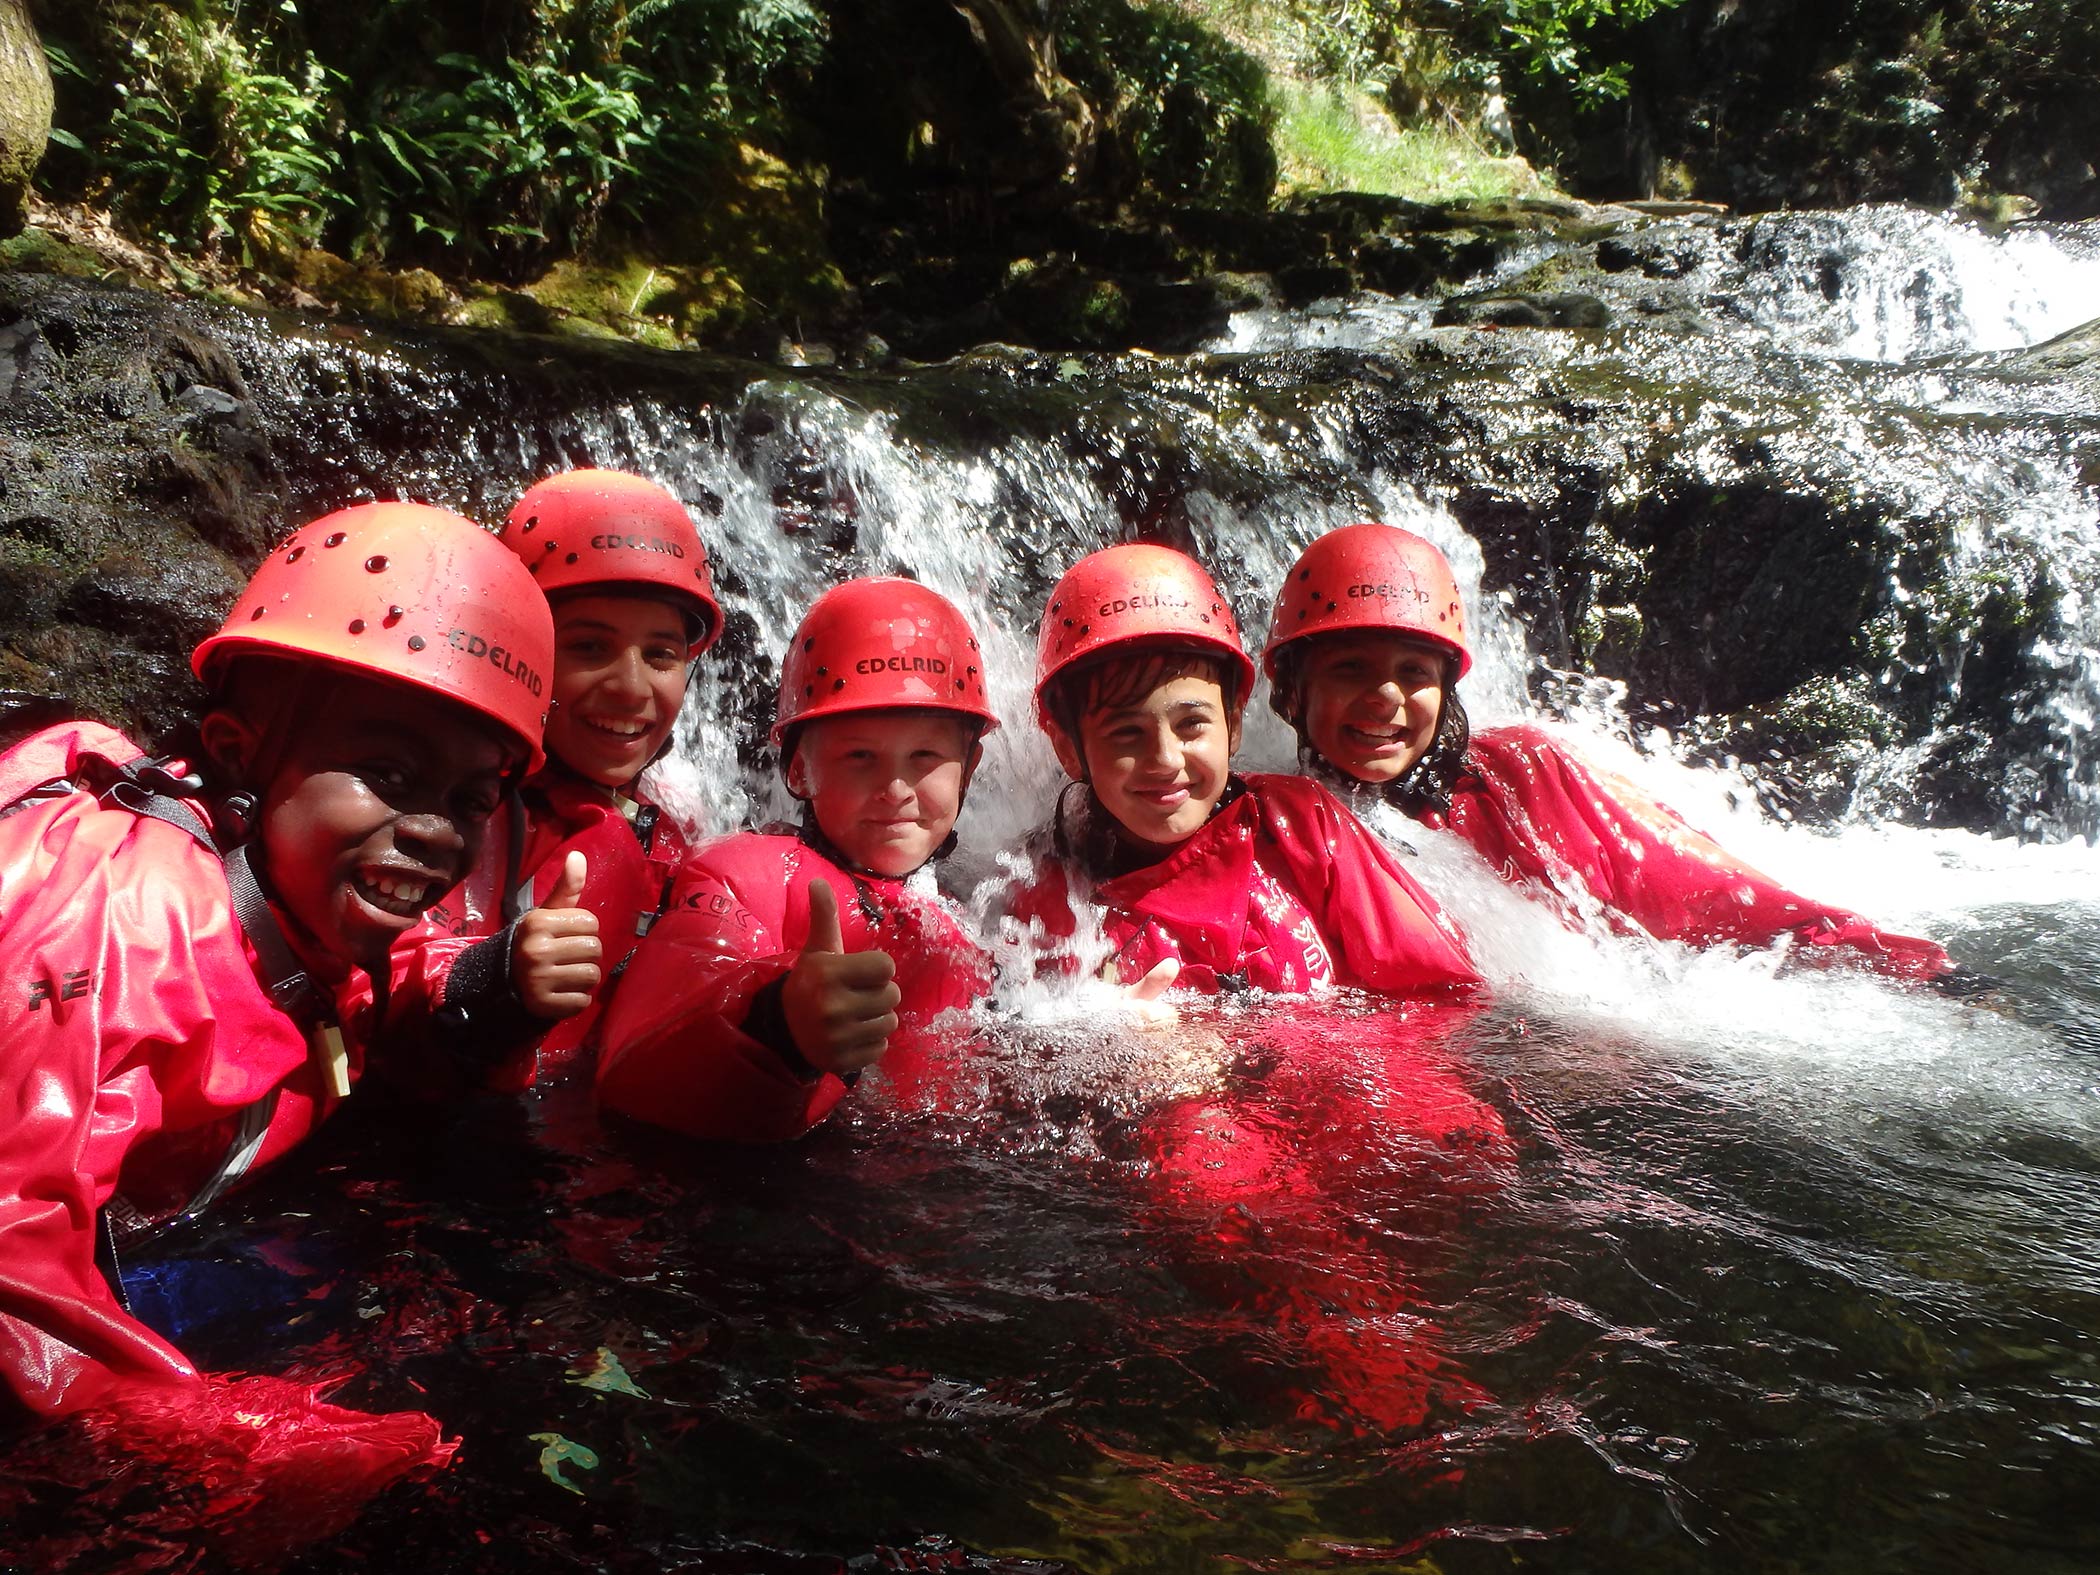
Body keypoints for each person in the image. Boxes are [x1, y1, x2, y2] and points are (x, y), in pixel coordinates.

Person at [0, 501, 554, 1547]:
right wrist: (250, 1438)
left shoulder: (301, 890)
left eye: (470, 798)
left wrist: (491, 991)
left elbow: (381, 991)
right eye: (388, 777)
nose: (435, 831)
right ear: (238, 754)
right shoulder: (122, 924)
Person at [1263, 521, 1953, 978]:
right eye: (1350, 668)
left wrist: (1886, 957)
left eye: (1414, 672)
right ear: (1293, 691)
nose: (1385, 698)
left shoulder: (1526, 775)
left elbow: (1709, 889)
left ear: (1447, 688)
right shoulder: (1266, 825)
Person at [596, 578, 996, 1141]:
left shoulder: (964, 913)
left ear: (969, 766)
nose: (897, 788)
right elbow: (633, 1068)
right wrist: (777, 1023)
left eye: (925, 755)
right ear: (798, 769)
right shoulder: (743, 873)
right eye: (860, 756)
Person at [1009, 542, 1479, 997]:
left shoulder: (1303, 825)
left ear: (1233, 725)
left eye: (1192, 724)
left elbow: (1438, 986)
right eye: (1126, 734)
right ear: (1069, 749)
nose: (1167, 759)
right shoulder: (1049, 909)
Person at [380, 469, 724, 1087]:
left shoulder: (672, 816)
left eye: (661, 654)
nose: (631, 687)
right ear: (521, 647)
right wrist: (495, 977)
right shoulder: (468, 808)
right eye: (590, 648)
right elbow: (387, 968)